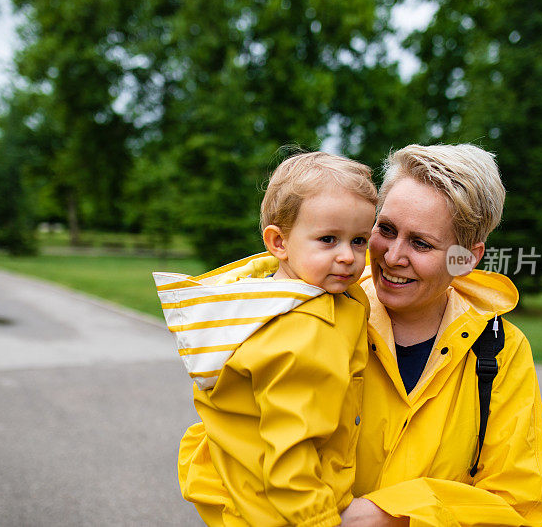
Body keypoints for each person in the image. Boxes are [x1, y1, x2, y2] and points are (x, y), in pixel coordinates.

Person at [177, 144, 542, 527]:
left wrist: (394, 515)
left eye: (421, 243)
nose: (392, 257)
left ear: (466, 258)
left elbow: (520, 503)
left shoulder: (501, 349)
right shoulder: (303, 316)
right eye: (385, 230)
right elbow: (213, 460)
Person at [155, 152, 378, 526]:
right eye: (328, 239)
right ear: (278, 242)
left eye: (359, 240)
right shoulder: (301, 330)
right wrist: (320, 520)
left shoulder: (272, 298)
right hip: (283, 512)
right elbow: (290, 450)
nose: (349, 257)